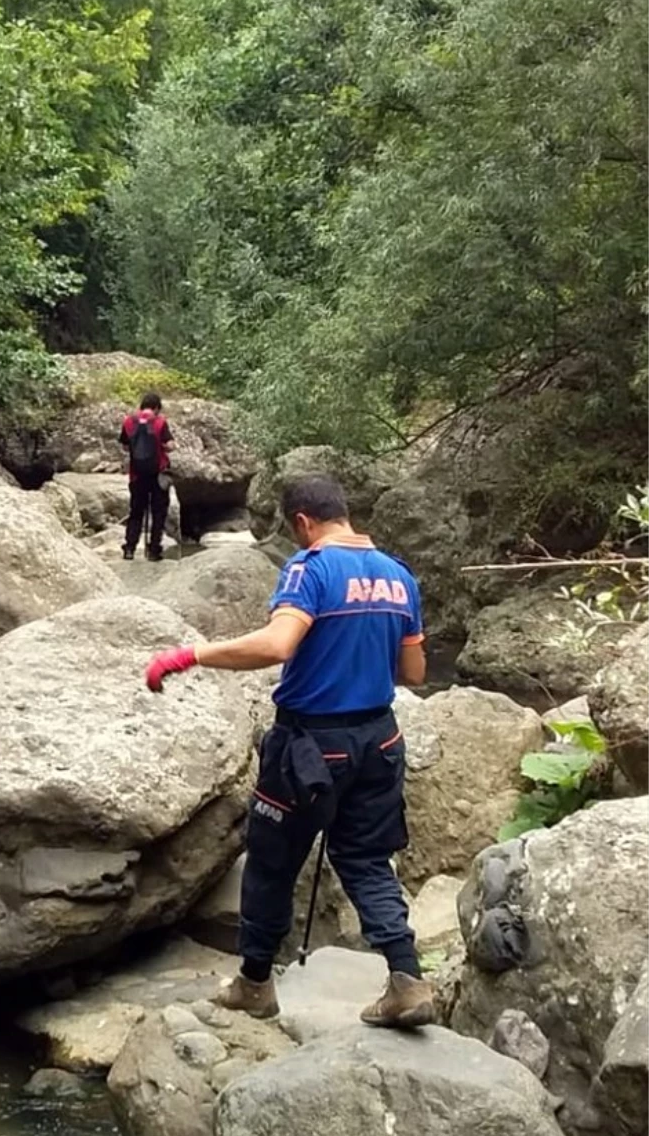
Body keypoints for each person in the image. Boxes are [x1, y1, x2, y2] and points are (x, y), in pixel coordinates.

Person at [143, 472, 433, 1030]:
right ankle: (406, 979)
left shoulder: (310, 568)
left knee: (272, 861)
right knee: (367, 860)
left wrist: (192, 655)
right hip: (380, 740)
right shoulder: (399, 576)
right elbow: (415, 671)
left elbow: (277, 645)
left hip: (309, 747)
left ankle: (254, 985)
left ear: (303, 521)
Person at [119, 391, 173, 562]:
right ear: (157, 408)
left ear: (142, 406)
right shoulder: (160, 422)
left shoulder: (129, 422)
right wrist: (162, 447)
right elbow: (170, 445)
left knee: (136, 512)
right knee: (159, 512)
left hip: (137, 475)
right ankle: (154, 550)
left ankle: (129, 548)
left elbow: (125, 447)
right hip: (158, 475)